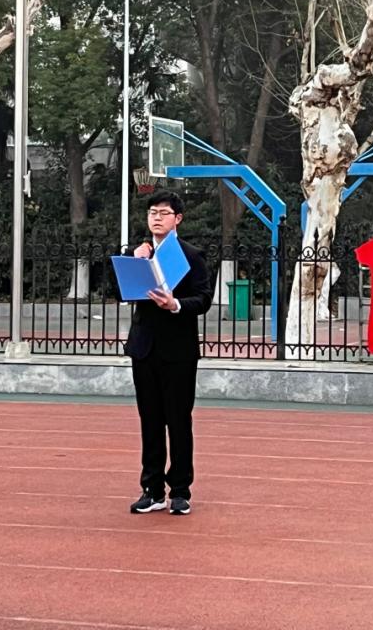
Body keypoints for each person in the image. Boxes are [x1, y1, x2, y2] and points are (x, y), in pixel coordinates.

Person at [124, 190, 211, 515]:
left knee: (178, 421)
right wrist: (136, 263)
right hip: (144, 348)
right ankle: (152, 489)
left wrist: (175, 304)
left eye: (163, 213)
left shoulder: (192, 255)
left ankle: (180, 491)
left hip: (178, 350)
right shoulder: (138, 253)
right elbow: (119, 289)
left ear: (178, 219)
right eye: (152, 212)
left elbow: (203, 299)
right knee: (150, 421)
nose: (157, 218)